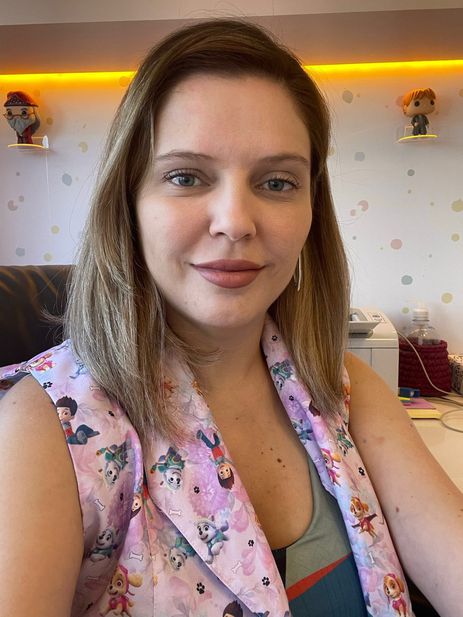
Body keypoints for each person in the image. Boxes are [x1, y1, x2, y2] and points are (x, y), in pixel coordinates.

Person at [0, 18, 461, 617]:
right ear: (129, 202)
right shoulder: (44, 427)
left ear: (311, 211)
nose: (236, 222)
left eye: (277, 182)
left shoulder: (347, 390)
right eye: (185, 176)